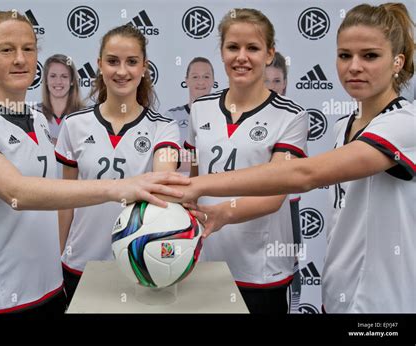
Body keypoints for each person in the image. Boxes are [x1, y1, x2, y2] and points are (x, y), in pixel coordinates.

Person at [0, 11, 188, 315]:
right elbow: (16, 192)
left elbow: (56, 201)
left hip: (49, 291)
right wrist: (120, 187)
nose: (20, 59)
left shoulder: (38, 120)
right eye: (7, 49)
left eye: (28, 49)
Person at [176, 2, 415, 313]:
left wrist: (202, 186)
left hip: (388, 304)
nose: (354, 66)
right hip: (339, 294)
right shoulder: (344, 124)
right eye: (345, 56)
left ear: (397, 62)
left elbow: (304, 175)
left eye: (370, 55)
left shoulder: (405, 122)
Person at [183, 9, 309, 314]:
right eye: (233, 47)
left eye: (252, 48)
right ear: (222, 52)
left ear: (269, 54)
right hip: (206, 265)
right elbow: (194, 181)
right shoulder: (200, 108)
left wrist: (221, 214)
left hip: (262, 272)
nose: (242, 57)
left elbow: (275, 194)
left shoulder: (292, 116)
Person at [55, 24, 181, 304]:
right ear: (99, 65)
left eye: (132, 62)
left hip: (138, 264)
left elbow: (162, 183)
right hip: (80, 263)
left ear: (144, 67)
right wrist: (60, 253)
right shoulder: (74, 125)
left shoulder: (165, 128)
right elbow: (66, 200)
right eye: (112, 61)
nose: (121, 71)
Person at [265, 51, 303, 314]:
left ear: (285, 84)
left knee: (287, 268)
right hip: (251, 209)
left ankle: (294, 304)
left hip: (287, 209)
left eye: (277, 81)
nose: (272, 87)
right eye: (267, 81)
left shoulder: (294, 117)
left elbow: (282, 176)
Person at [165, 57, 215, 175]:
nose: (201, 82)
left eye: (206, 77)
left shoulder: (223, 117)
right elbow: (166, 160)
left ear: (213, 81)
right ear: (186, 81)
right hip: (180, 189)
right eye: (195, 77)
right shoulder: (172, 116)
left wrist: (187, 156)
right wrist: (206, 157)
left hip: (212, 189)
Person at [39, 54, 85, 145]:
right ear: (46, 80)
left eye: (64, 76)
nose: (58, 82)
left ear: (72, 81)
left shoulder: (86, 115)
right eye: (53, 76)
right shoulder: (34, 114)